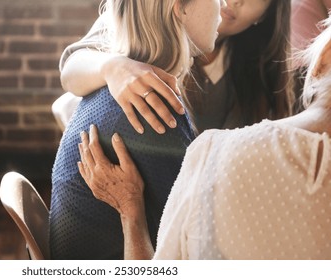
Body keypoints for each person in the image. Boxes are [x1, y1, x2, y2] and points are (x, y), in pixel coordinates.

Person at [78, 15, 331, 260]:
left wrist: (131, 210)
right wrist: (112, 67)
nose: (228, 2)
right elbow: (74, 63)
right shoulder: (127, 59)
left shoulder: (216, 148)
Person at [50, 0, 225, 259]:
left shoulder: (116, 90)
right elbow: (191, 253)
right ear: (180, 7)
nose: (223, 4)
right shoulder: (153, 116)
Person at [58, 0, 294, 135]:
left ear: (265, 15)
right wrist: (113, 68)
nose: (235, 1)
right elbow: (71, 68)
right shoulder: (145, 16)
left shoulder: (261, 72)